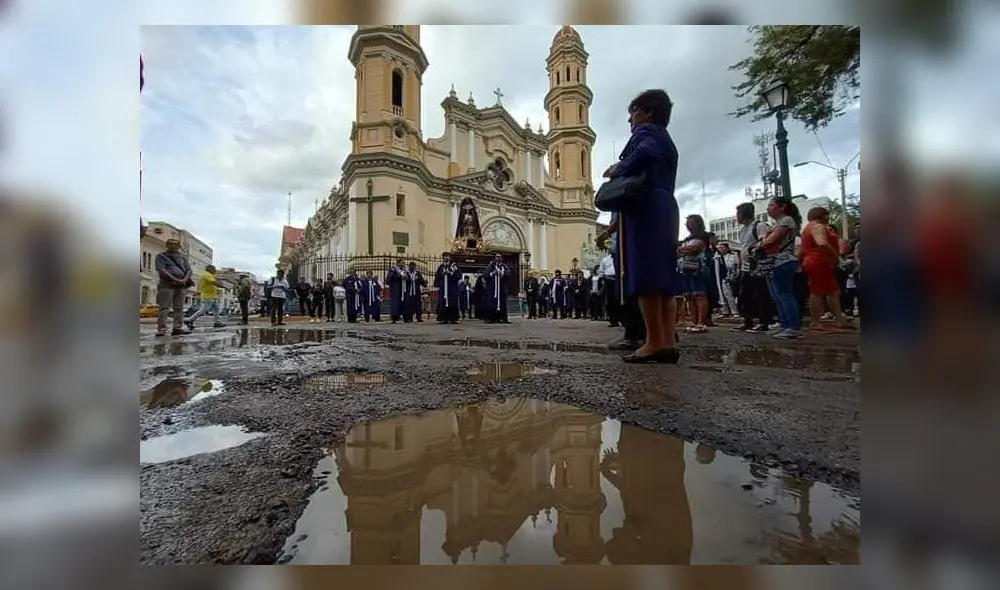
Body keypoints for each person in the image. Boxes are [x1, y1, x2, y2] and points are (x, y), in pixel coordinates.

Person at [603, 89, 680, 363]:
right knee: (664, 281)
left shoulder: (646, 132)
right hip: (665, 203)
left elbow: (644, 154)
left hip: (645, 204)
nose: (631, 120)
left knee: (645, 277)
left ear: (647, 112)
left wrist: (618, 168)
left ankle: (653, 342)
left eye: (633, 112)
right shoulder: (667, 139)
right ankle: (667, 341)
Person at [801, 206, 853, 331]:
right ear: (822, 215)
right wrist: (837, 258)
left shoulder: (808, 228)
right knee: (818, 292)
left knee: (832, 291)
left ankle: (839, 319)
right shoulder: (818, 226)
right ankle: (816, 322)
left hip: (817, 261)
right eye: (827, 214)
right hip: (819, 261)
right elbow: (822, 243)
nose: (829, 217)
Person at [759, 195, 803, 339]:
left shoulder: (786, 220)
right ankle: (784, 324)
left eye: (771, 205)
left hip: (783, 261)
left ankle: (793, 327)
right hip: (773, 262)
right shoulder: (776, 223)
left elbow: (770, 240)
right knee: (777, 296)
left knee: (784, 295)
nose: (768, 208)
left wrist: (761, 244)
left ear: (782, 207)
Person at [730, 202, 775, 333]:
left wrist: (753, 251)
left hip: (757, 266)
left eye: (738, 213)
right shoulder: (743, 230)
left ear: (744, 213)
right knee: (745, 295)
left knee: (761, 294)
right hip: (745, 267)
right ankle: (747, 320)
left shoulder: (759, 225)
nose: (736, 217)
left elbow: (763, 241)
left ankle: (764, 322)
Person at [677, 215, 710, 334]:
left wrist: (682, 249)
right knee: (689, 296)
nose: (687, 225)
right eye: (686, 223)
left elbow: (695, 248)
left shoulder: (704, 235)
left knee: (700, 295)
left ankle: (701, 322)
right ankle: (694, 321)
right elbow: (680, 251)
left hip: (699, 269)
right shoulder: (687, 238)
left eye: (690, 222)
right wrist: (684, 249)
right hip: (686, 269)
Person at [153, 237, 192, 336]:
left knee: (179, 308)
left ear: (179, 246)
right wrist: (175, 279)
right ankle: (161, 329)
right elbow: (162, 270)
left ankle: (177, 328)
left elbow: (189, 270)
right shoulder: (161, 256)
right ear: (166, 245)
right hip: (166, 285)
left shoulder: (183, 258)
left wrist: (184, 280)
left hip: (181, 286)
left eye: (175, 244)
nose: (173, 246)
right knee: (164, 308)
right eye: (170, 243)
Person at [185, 264, 224, 330]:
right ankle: (189, 320)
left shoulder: (210, 275)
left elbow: (216, 279)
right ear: (210, 269)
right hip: (208, 296)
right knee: (203, 310)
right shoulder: (206, 275)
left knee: (216, 309)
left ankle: (217, 322)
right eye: (214, 269)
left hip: (212, 296)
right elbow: (214, 282)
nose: (215, 271)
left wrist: (222, 279)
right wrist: (225, 287)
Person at [434, 252, 461, 324]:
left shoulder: (454, 266)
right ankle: (444, 318)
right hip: (443, 287)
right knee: (443, 302)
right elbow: (437, 276)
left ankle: (453, 318)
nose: (445, 258)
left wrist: (450, 273)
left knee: (452, 302)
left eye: (447, 256)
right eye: (444, 256)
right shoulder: (441, 266)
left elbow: (458, 274)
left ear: (449, 257)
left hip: (452, 287)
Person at [483, 252, 511, 324]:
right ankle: (491, 318)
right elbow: (485, 275)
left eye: (499, 257)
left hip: (501, 288)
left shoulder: (504, 266)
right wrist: (492, 273)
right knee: (491, 303)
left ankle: (502, 318)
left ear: (502, 258)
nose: (498, 258)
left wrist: (502, 274)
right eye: (497, 257)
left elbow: (508, 274)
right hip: (492, 288)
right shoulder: (491, 266)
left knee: (502, 303)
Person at [597, 246, 619, 327]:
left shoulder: (620, 258)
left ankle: (622, 319)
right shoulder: (605, 259)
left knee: (619, 300)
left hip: (618, 279)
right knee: (610, 301)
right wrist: (603, 280)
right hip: (608, 280)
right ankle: (613, 320)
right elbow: (601, 271)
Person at [716, 243, 738, 317]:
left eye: (723, 247)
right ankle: (725, 311)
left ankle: (734, 311)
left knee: (729, 295)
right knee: (721, 295)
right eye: (720, 248)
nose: (721, 249)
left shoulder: (731, 256)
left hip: (729, 277)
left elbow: (734, 266)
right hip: (720, 278)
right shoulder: (717, 257)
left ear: (727, 248)